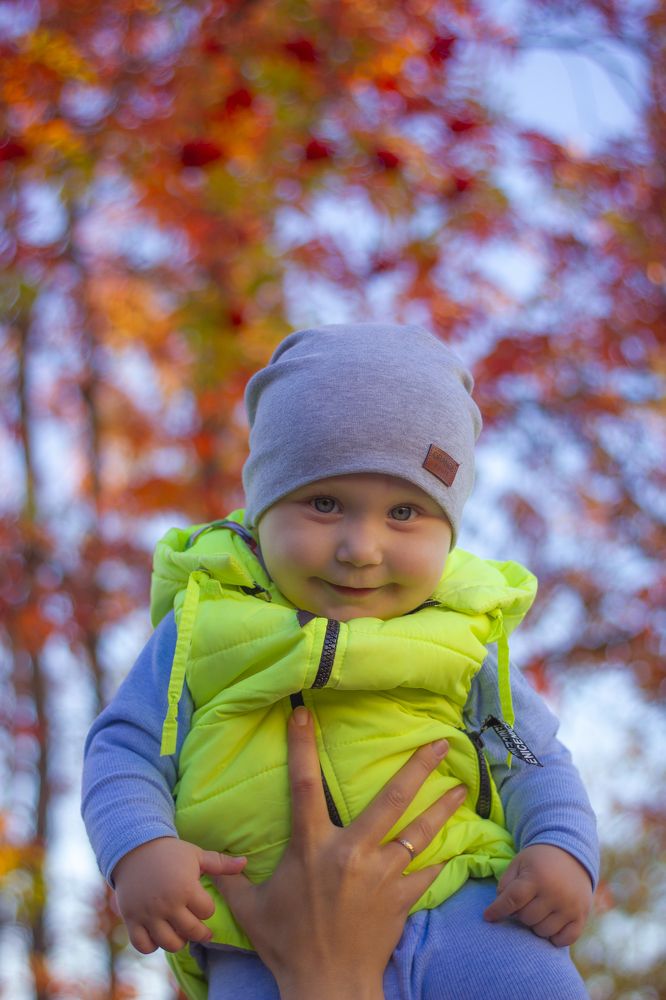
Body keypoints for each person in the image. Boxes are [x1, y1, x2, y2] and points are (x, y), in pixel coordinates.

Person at [82, 323, 599, 999]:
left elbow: (530, 752)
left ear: (449, 529)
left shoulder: (465, 633)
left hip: (470, 909)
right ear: (261, 511)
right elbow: (124, 747)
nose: (361, 547)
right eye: (324, 503)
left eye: (406, 512)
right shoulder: (204, 624)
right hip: (261, 936)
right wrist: (139, 849)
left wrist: (561, 847)